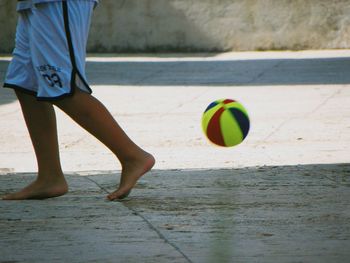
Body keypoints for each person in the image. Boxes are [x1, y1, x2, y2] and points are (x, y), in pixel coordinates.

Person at [2, 0, 155, 200]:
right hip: (32, 3)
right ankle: (50, 176)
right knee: (26, 84)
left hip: (56, 2)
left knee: (62, 86)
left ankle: (132, 156)